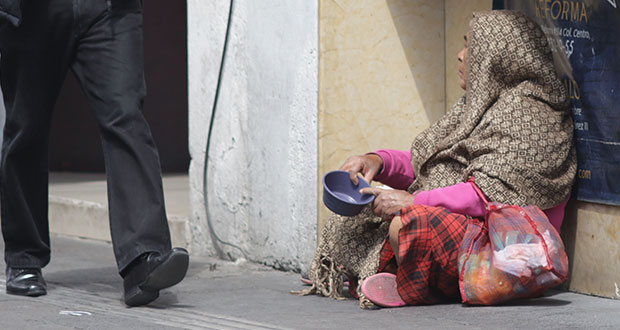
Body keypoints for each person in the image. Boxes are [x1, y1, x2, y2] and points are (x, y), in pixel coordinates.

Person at [295, 10, 576, 309]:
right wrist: (378, 162)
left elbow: (487, 195)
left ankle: (411, 285)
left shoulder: (533, 116)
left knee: (408, 225)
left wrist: (414, 202)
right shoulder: (479, 106)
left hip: (502, 247)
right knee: (356, 210)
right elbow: (431, 161)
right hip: (462, 222)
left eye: (470, 46)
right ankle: (388, 274)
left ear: (496, 58)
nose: (460, 55)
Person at [0, 0, 189, 306]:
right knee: (28, 127)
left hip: (111, 11)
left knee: (125, 117)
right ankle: (25, 257)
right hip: (36, 12)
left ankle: (143, 258)